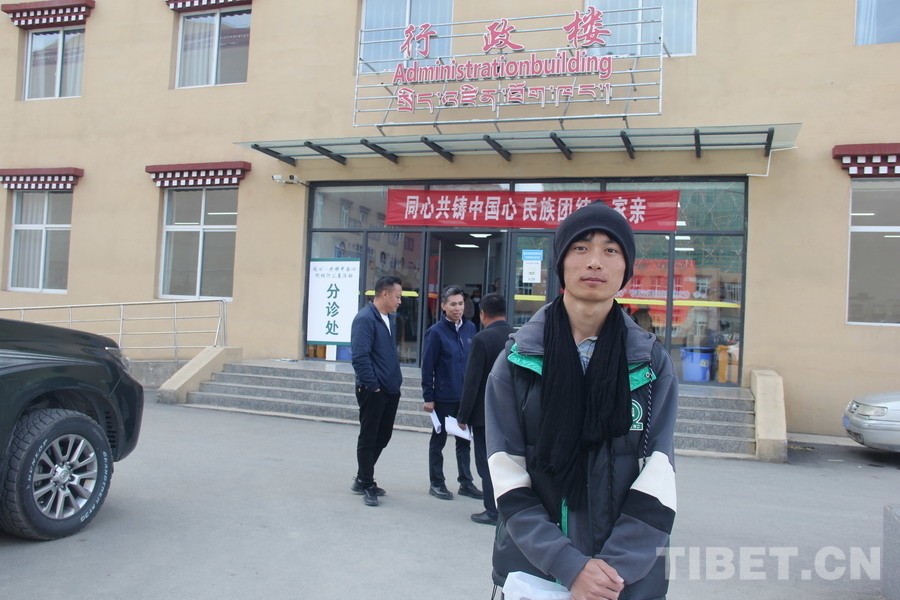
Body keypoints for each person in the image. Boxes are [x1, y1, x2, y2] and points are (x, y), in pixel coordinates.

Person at [486, 201, 678, 600]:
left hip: (625, 581)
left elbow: (659, 477)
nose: (594, 261)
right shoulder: (516, 361)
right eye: (580, 248)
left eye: (610, 250)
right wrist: (568, 565)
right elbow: (507, 477)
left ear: (625, 268)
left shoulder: (651, 364)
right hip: (534, 571)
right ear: (561, 263)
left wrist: (608, 574)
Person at [457, 293, 515, 526]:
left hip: (484, 415)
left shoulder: (481, 339)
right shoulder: (515, 337)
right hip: (510, 412)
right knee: (508, 462)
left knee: (486, 463)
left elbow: (472, 381)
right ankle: (508, 508)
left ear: (482, 314)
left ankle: (492, 510)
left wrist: (462, 415)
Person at [421, 284, 481, 501]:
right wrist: (428, 397)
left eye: (461, 303)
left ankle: (466, 483)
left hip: (465, 397)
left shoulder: (470, 328)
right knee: (438, 441)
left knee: (464, 441)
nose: (458, 308)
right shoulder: (435, 332)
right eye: (453, 304)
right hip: (444, 397)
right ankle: (436, 483)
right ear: (443, 306)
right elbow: (427, 367)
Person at [350, 276, 404, 507]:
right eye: (398, 296)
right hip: (373, 390)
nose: (400, 301)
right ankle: (366, 482)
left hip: (390, 388)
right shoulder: (365, 319)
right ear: (384, 294)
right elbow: (360, 357)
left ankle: (363, 477)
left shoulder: (388, 319)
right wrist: (373, 386)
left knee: (383, 436)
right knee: (369, 436)